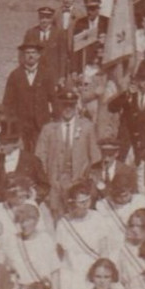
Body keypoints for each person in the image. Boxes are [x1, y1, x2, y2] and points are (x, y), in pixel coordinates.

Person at [34, 87, 99, 217]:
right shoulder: (49, 129)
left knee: (78, 218)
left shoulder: (86, 127)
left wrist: (89, 183)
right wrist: (46, 183)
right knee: (57, 219)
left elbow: (96, 158)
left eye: (71, 105)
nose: (67, 109)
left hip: (78, 183)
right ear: (58, 106)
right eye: (64, 105)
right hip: (55, 184)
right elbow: (39, 158)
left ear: (76, 106)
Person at [54, 181, 115, 289]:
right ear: (72, 202)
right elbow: (59, 254)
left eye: (88, 200)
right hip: (71, 276)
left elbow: (104, 250)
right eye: (81, 202)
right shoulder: (64, 223)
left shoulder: (98, 218)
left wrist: (103, 273)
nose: (86, 205)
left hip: (92, 274)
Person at [2, 40, 54, 150]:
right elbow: (7, 102)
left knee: (40, 152)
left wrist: (56, 122)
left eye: (33, 53)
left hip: (41, 123)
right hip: (21, 124)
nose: (30, 55)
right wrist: (11, 123)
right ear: (23, 56)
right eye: (27, 53)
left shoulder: (46, 74)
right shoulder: (15, 75)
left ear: (39, 55)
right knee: (22, 153)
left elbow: (54, 99)